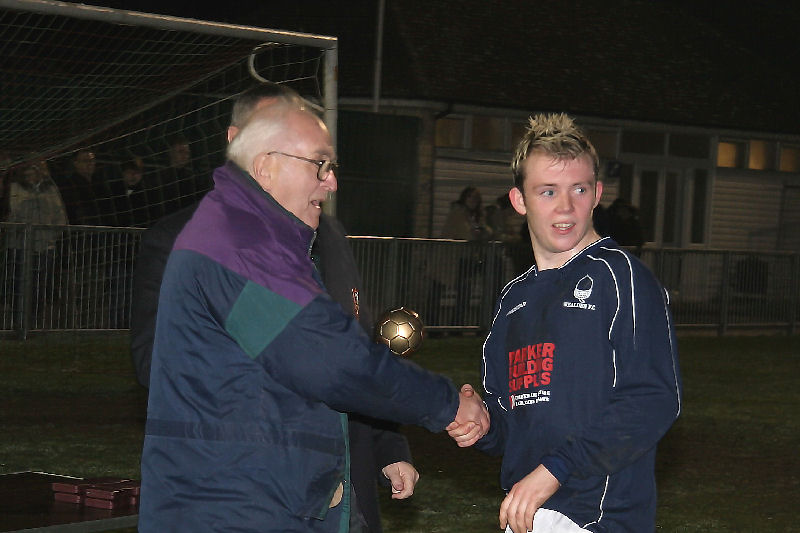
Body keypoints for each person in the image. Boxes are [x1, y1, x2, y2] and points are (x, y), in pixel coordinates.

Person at [139, 92, 488, 532]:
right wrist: (445, 403)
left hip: (264, 499)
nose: (332, 182)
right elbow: (332, 362)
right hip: (234, 508)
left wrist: (386, 446)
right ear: (265, 166)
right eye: (320, 164)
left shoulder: (263, 236)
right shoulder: (239, 244)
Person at [449, 113, 682, 533]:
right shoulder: (512, 300)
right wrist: (482, 423)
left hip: (599, 517)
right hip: (526, 512)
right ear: (519, 200)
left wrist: (555, 470)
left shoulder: (621, 277)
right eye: (547, 191)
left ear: (597, 194)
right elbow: (513, 417)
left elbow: (653, 399)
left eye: (579, 189)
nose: (565, 206)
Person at [4, 159, 68, 327]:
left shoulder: (50, 188)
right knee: (19, 287)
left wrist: (50, 237)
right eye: (33, 167)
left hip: (44, 247)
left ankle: (33, 324)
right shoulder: (16, 188)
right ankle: (18, 325)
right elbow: (14, 214)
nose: (36, 171)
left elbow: (60, 217)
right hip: (20, 246)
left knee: (39, 288)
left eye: (40, 167)